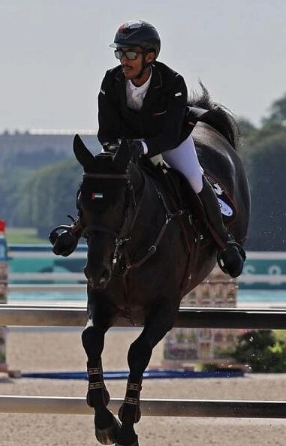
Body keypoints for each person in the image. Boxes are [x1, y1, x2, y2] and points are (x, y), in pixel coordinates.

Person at [50, 20, 244, 277]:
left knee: (195, 179)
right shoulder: (110, 81)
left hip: (170, 141)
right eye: (120, 52)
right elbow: (106, 129)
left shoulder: (173, 83)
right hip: (126, 145)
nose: (124, 60)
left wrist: (142, 148)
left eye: (130, 53)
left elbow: (170, 133)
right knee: (102, 180)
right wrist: (115, 151)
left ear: (150, 56)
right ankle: (76, 229)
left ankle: (224, 242)